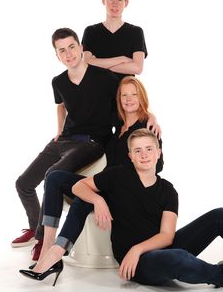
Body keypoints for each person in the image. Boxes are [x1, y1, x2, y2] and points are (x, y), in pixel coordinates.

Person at [20, 129, 223, 289]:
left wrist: (138, 248)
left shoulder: (168, 190)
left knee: (218, 215)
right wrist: (98, 201)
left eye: (149, 149)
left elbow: (167, 236)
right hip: (137, 262)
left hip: (151, 249)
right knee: (177, 258)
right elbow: (78, 186)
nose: (144, 155)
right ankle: (218, 275)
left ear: (158, 153)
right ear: (131, 156)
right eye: (137, 151)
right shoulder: (118, 176)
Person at [29, 76, 163, 262]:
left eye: (134, 94)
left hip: (121, 190)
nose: (129, 99)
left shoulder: (146, 128)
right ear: (119, 99)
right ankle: (47, 245)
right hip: (104, 183)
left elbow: (158, 166)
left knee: (82, 200)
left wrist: (151, 116)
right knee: (54, 177)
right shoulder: (119, 124)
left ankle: (56, 254)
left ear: (142, 98)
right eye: (124, 95)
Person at [12, 27, 119, 260]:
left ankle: (43, 238)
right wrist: (59, 130)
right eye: (62, 50)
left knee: (53, 174)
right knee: (23, 183)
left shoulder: (103, 77)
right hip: (64, 140)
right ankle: (34, 227)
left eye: (72, 47)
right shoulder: (58, 81)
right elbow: (60, 105)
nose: (69, 53)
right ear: (57, 55)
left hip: (91, 142)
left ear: (80, 47)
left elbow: (127, 98)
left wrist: (149, 115)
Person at [82, 0, 147, 81]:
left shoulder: (136, 32)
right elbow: (85, 63)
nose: (115, 4)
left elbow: (137, 68)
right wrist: (122, 59)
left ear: (126, 3)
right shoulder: (91, 31)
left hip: (125, 94)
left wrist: (98, 63)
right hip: (97, 94)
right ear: (103, 0)